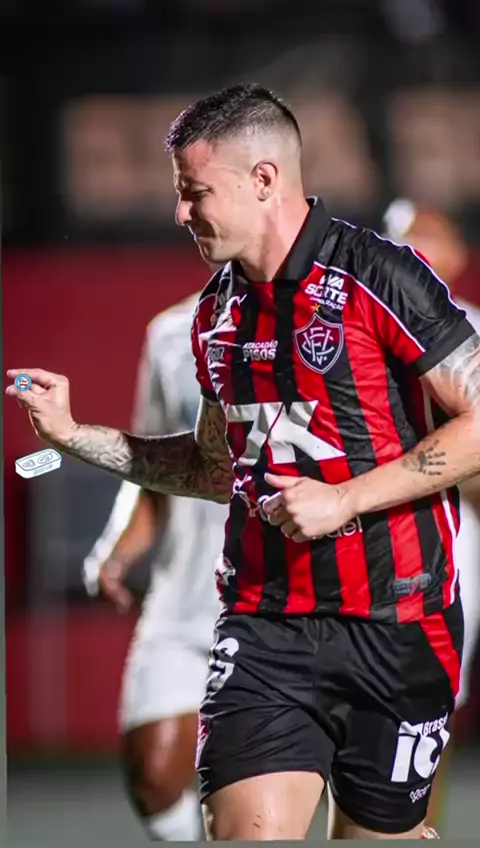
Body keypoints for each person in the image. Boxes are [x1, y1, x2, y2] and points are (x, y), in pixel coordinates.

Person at [7, 83, 480, 841]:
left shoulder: (380, 275)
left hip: (400, 624)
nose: (180, 213)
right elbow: (210, 470)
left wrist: (346, 498)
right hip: (263, 627)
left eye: (195, 192)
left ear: (263, 179)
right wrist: (73, 436)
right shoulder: (214, 315)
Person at [82, 295, 227, 841]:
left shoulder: (329, 314)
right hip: (187, 595)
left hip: (293, 600)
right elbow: (151, 464)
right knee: (154, 775)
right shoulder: (170, 332)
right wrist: (116, 551)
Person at [383, 198, 480, 829]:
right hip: (359, 527)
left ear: (459, 254)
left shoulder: (473, 329)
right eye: (401, 236)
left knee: (428, 699)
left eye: (428, 235)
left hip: (450, 531)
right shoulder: (354, 316)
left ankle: (414, 828)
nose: (413, 247)